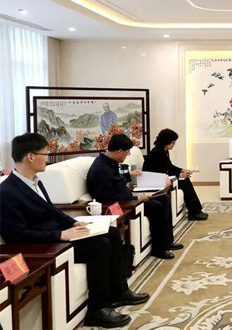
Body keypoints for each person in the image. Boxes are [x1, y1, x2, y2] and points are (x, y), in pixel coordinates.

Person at [0, 133, 149, 328]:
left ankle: (119, 291)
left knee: (111, 233)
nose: (47, 159)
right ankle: (97, 309)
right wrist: (61, 235)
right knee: (100, 245)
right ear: (30, 157)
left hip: (58, 236)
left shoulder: (36, 182)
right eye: (45, 154)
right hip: (45, 245)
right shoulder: (7, 192)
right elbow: (16, 235)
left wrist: (73, 223)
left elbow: (53, 211)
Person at [87, 134, 181, 260]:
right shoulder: (100, 169)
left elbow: (115, 181)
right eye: (127, 153)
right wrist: (137, 199)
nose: (127, 156)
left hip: (127, 197)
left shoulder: (107, 162)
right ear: (119, 151)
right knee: (156, 206)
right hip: (121, 204)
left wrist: (129, 176)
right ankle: (159, 249)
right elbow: (107, 196)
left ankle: (168, 241)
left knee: (163, 198)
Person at [143, 129, 208, 221]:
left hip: (163, 177)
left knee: (185, 180)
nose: (174, 144)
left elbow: (169, 166)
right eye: (173, 143)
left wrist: (181, 170)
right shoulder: (157, 153)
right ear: (166, 142)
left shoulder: (164, 151)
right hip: (155, 180)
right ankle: (194, 212)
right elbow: (162, 171)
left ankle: (195, 211)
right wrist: (179, 176)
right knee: (184, 182)